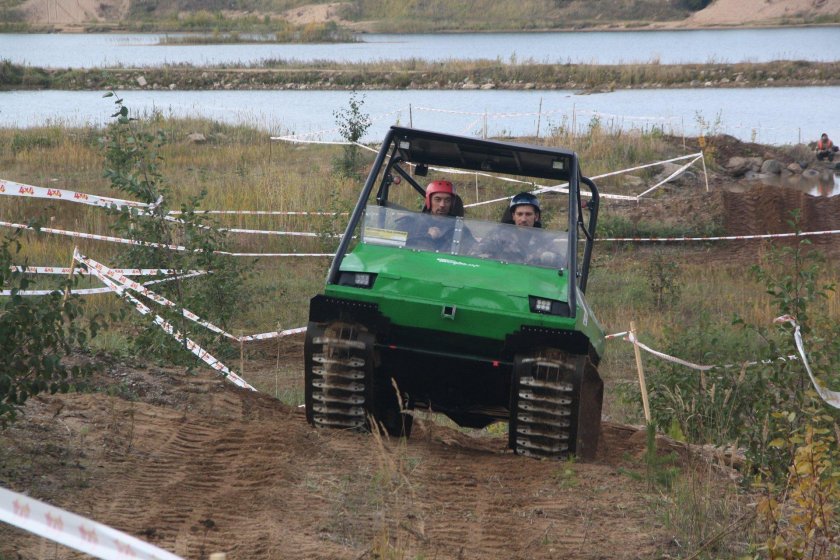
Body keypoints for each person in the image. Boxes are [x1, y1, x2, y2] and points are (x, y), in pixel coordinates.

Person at [404, 180, 464, 250]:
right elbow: (398, 246)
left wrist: (478, 246)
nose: (442, 205)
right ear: (429, 201)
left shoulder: (458, 228)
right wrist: (428, 236)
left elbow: (471, 250)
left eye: (447, 200)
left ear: (452, 204)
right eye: (437, 199)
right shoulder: (412, 223)